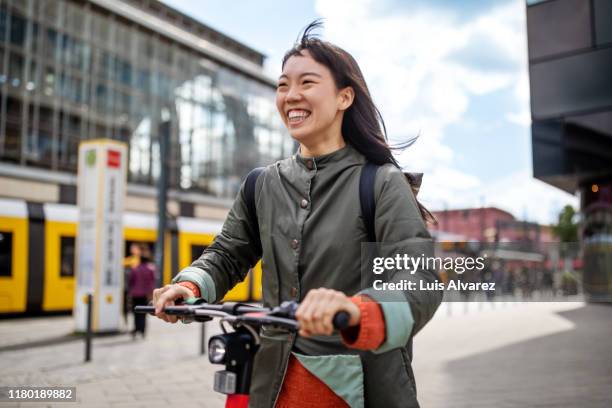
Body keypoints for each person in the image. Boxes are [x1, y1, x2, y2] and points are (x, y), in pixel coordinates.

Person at [153, 20, 442, 407]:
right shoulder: (261, 184)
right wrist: (188, 287)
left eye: (306, 83)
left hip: (357, 387)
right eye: (283, 85)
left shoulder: (381, 183)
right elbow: (226, 254)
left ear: (344, 98)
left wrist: (358, 310)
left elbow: (419, 274)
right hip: (270, 382)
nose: (290, 95)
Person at [129, 244, 156, 339]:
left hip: (135, 294)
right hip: (145, 294)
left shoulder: (135, 269)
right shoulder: (151, 269)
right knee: (144, 313)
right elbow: (153, 282)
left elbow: (131, 281)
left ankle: (136, 329)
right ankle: (143, 331)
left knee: (136, 313)